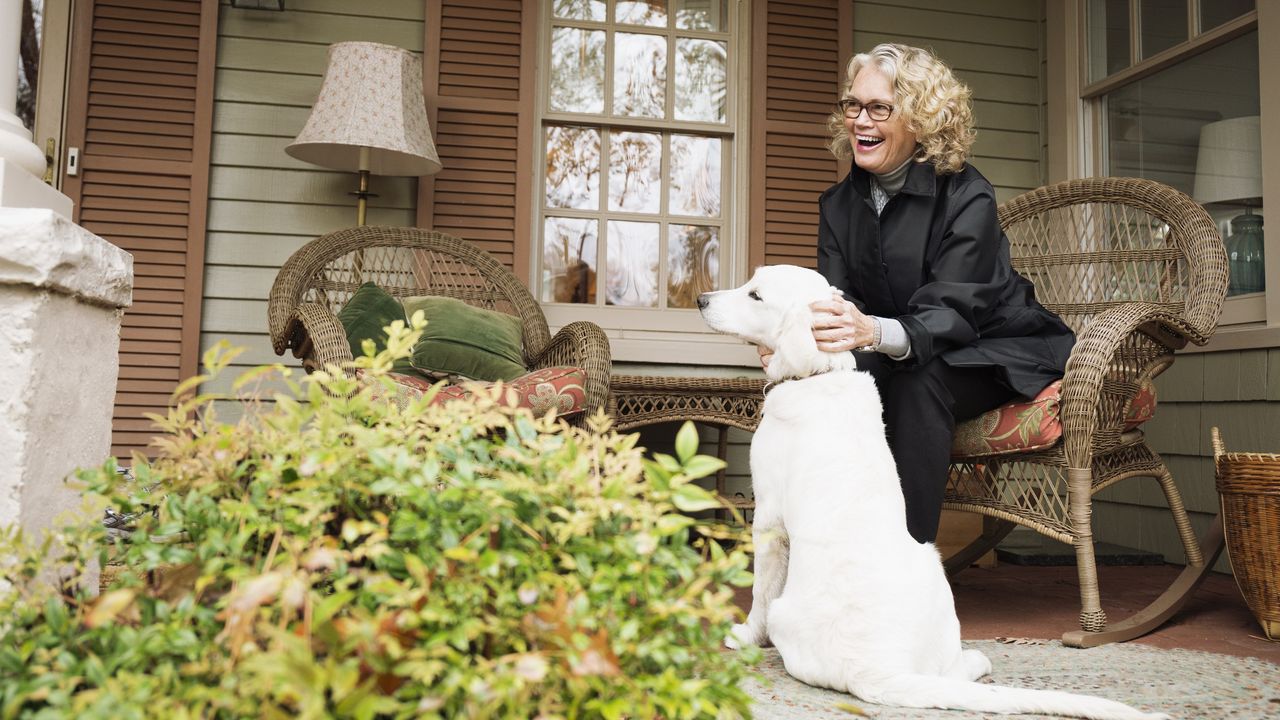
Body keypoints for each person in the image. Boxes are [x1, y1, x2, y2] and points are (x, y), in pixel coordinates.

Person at [759, 43, 1075, 544]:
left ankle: (906, 565)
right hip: (892, 348)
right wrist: (799, 345)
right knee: (821, 384)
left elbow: (954, 309)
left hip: (988, 348)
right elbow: (840, 302)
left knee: (916, 381)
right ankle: (824, 552)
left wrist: (868, 331)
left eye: (879, 108)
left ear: (920, 119)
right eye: (853, 106)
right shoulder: (838, 205)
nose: (861, 120)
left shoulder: (967, 194)